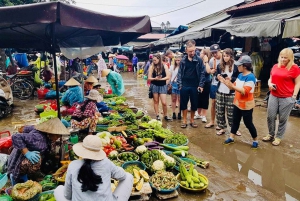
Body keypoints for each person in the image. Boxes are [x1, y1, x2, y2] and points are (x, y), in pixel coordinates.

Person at [54, 135, 133, 201]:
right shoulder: (106, 163)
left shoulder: (73, 165)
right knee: (129, 176)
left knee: (58, 189)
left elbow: (67, 196)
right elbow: (122, 176)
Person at [7, 118, 70, 185]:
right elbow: (16, 136)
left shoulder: (38, 129)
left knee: (50, 153)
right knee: (37, 159)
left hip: (17, 155)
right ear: (50, 132)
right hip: (17, 161)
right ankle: (21, 175)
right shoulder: (38, 138)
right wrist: (27, 152)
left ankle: (31, 173)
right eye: (57, 135)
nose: (58, 137)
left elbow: (22, 129)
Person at [263, 48, 300, 146]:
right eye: (282, 57)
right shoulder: (275, 66)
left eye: (285, 58)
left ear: (290, 58)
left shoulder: (294, 68)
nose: (283, 59)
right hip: (274, 95)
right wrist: (270, 84)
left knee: (283, 119)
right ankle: (270, 134)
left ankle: (278, 136)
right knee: (270, 116)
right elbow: (270, 78)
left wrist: (294, 96)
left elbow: (298, 83)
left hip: (287, 97)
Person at [221, 55, 258, 148]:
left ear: (244, 66)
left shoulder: (251, 77)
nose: (238, 67)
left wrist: (232, 86)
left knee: (248, 123)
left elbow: (244, 91)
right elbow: (233, 87)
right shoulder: (240, 75)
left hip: (246, 105)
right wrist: (225, 82)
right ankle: (231, 137)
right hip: (237, 102)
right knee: (235, 121)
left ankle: (255, 140)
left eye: (239, 65)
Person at [177, 40, 206, 128]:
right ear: (186, 51)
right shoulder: (183, 61)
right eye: (190, 51)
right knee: (183, 104)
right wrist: (180, 85)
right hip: (184, 85)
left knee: (194, 104)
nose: (192, 52)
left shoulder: (199, 60)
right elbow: (179, 73)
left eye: (193, 51)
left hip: (195, 85)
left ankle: (192, 120)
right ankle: (184, 120)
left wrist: (201, 85)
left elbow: (202, 73)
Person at [215, 48, 240, 135]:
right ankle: (222, 128)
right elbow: (215, 76)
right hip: (220, 91)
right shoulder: (219, 66)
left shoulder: (235, 66)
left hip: (231, 92)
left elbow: (239, 78)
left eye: (227, 56)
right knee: (219, 111)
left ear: (231, 56)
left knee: (232, 112)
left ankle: (234, 129)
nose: (225, 58)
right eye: (224, 56)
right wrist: (217, 76)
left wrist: (231, 78)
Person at [148, 54, 172, 121]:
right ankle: (157, 115)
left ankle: (165, 115)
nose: (154, 61)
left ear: (159, 59)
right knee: (156, 101)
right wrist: (155, 78)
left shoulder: (164, 66)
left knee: (164, 102)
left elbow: (168, 77)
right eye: (153, 60)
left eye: (155, 60)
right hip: (154, 85)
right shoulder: (151, 67)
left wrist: (160, 79)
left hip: (162, 85)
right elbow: (149, 78)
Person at [205, 44, 222, 129]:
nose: (215, 54)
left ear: (220, 50)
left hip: (223, 84)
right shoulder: (212, 60)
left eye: (216, 52)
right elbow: (210, 71)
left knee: (222, 104)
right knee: (213, 103)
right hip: (214, 83)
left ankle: (221, 123)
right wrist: (212, 70)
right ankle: (212, 121)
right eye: (213, 53)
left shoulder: (225, 59)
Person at [195, 48, 212, 123]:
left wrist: (206, 61)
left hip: (206, 83)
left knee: (205, 99)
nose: (200, 54)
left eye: (202, 53)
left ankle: (204, 115)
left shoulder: (208, 62)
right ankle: (198, 113)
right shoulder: (199, 61)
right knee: (198, 98)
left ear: (205, 54)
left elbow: (208, 71)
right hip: (198, 83)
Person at [170, 55, 182, 120]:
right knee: (173, 99)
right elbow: (170, 76)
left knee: (180, 99)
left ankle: (179, 112)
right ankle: (174, 112)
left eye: (179, 60)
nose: (177, 61)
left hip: (180, 84)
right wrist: (169, 84)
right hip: (173, 84)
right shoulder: (172, 67)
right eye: (176, 60)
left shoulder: (183, 67)